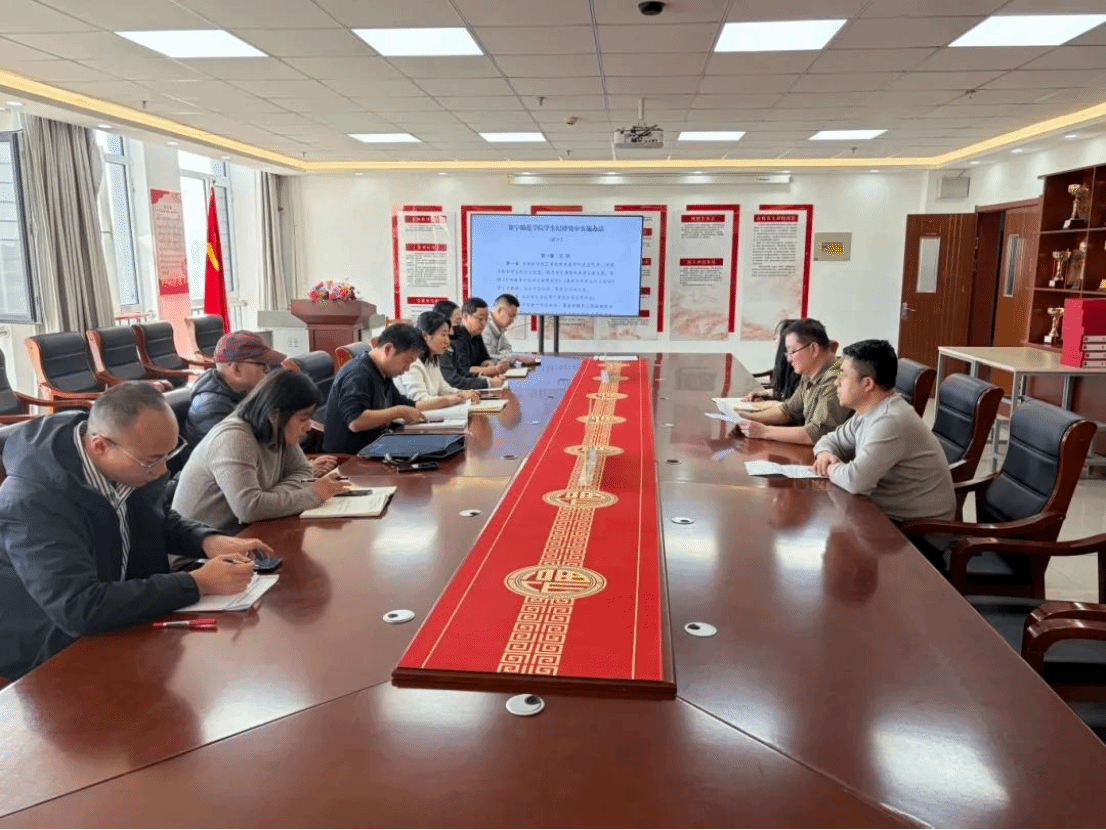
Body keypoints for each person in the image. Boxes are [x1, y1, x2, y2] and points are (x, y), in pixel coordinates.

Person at [0, 382, 270, 680]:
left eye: (168, 455)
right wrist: (196, 583)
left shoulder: (135, 458)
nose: (163, 471)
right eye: (153, 460)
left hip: (126, 617)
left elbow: (156, 518)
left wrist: (207, 540)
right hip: (53, 650)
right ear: (100, 446)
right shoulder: (33, 501)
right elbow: (78, 607)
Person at [173, 369, 352, 533]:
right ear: (274, 414)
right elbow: (249, 509)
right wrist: (314, 494)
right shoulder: (234, 437)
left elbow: (303, 471)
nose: (308, 427)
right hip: (204, 547)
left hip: (249, 531)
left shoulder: (279, 429)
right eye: (303, 418)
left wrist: (268, 498)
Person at [812, 339, 956, 523]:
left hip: (917, 530)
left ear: (867, 384)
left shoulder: (890, 421)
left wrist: (829, 468)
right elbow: (831, 439)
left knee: (822, 522)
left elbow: (855, 481)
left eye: (844, 376)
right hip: (884, 515)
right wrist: (824, 453)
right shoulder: (868, 410)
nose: (837, 382)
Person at [184, 330, 338, 478]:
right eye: (261, 364)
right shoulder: (211, 409)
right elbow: (238, 463)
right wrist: (303, 470)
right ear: (236, 369)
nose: (267, 368)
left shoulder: (245, 391)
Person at [734, 318, 852, 445]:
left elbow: (817, 433)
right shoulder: (810, 372)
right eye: (787, 352)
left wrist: (764, 431)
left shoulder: (836, 380)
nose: (789, 359)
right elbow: (788, 411)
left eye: (792, 351)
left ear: (813, 349)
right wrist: (743, 416)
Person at [322, 323, 426, 455]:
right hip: (352, 457)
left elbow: (402, 403)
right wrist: (401, 411)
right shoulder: (358, 373)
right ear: (388, 349)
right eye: (407, 361)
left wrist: (446, 401)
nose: (407, 368)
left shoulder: (383, 371)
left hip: (376, 446)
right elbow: (355, 421)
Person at [397, 311, 482, 405]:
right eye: (443, 335)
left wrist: (461, 393)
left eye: (448, 335)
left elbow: (442, 387)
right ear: (425, 336)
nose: (447, 341)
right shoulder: (412, 362)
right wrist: (454, 398)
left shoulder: (432, 358)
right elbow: (420, 401)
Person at [441, 297, 508, 390]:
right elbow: (465, 371)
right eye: (480, 319)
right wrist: (493, 370)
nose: (484, 323)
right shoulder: (457, 338)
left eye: (486, 320)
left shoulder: (477, 334)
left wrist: (489, 365)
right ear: (465, 316)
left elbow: (484, 358)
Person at [741, 318, 801, 403]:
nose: (774, 341)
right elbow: (786, 392)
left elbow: (794, 405)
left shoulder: (800, 370)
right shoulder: (790, 366)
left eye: (776, 338)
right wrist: (761, 393)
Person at [483, 293, 537, 366]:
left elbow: (508, 350)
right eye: (511, 316)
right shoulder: (483, 327)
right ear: (500, 311)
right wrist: (516, 357)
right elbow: (487, 359)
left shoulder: (499, 328)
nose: (513, 320)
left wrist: (501, 355)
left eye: (514, 317)